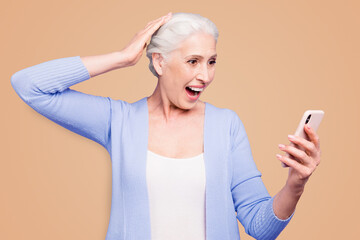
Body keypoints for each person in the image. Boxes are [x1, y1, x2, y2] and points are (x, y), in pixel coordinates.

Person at [11, 12, 321, 240]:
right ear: (159, 63)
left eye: (211, 62)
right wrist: (122, 57)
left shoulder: (226, 125)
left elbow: (260, 227)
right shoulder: (119, 121)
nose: (205, 75)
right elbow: (29, 86)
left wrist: (295, 184)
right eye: (193, 61)